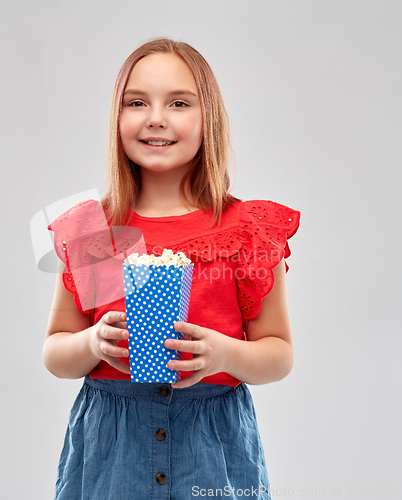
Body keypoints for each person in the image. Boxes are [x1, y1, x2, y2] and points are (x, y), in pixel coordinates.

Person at [43, 37, 300, 500]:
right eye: (136, 102)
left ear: (209, 119)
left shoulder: (246, 230)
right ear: (117, 119)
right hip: (112, 450)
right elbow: (55, 351)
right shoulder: (92, 230)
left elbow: (278, 353)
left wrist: (225, 354)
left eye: (179, 102)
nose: (155, 117)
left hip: (213, 447)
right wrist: (92, 342)